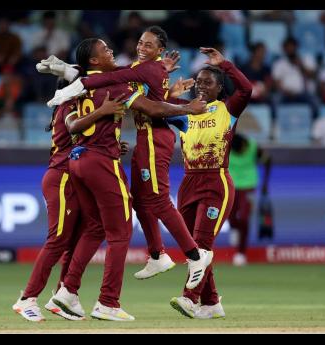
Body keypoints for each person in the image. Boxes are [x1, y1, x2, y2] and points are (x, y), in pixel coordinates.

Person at [45, 38, 209, 322]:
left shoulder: (87, 83)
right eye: (106, 50)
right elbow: (153, 109)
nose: (112, 51)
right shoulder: (114, 85)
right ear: (95, 61)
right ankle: (108, 302)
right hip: (102, 163)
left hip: (79, 160)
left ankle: (66, 292)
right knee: (120, 231)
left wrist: (164, 85)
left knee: (95, 227)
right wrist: (188, 109)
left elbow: (82, 85)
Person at [12, 78, 129, 322]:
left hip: (74, 178)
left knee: (76, 239)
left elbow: (84, 142)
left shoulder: (76, 104)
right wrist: (102, 111)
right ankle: (27, 299)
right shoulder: (68, 106)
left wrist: (113, 147)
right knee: (58, 239)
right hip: (61, 179)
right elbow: (74, 126)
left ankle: (63, 295)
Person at [169, 47, 252, 319]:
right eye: (199, 81)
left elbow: (247, 89)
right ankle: (212, 303)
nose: (202, 86)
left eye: (209, 82)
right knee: (193, 246)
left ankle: (189, 298)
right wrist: (170, 92)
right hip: (188, 182)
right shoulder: (184, 110)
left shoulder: (227, 109)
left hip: (216, 181)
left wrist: (225, 64)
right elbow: (152, 107)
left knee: (202, 243)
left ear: (220, 88)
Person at [228, 133, 272, 266]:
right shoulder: (226, 147)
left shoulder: (253, 147)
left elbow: (268, 161)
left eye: (240, 150)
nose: (239, 152)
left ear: (243, 144)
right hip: (231, 186)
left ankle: (241, 253)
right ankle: (235, 228)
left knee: (245, 218)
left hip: (249, 187)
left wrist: (265, 184)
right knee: (230, 217)